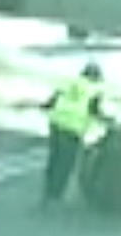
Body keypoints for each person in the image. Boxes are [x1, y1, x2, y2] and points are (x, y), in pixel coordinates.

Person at [40, 60, 107, 205]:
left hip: (56, 125)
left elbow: (50, 102)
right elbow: (94, 111)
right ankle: (56, 195)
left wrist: (42, 107)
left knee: (54, 159)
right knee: (66, 163)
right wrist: (107, 121)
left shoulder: (68, 83)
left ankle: (47, 191)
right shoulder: (94, 89)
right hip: (72, 130)